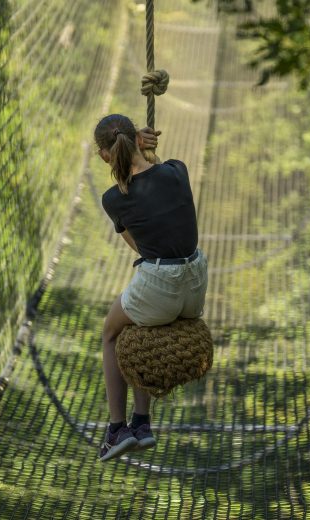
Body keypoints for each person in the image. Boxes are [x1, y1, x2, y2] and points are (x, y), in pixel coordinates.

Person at [94, 113, 208, 462]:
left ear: (104, 156)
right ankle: (141, 424)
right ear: (138, 141)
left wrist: (134, 149)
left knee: (112, 334)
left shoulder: (114, 199)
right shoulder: (178, 170)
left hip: (163, 285)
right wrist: (144, 148)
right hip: (196, 284)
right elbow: (154, 172)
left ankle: (117, 429)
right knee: (141, 332)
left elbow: (141, 247)